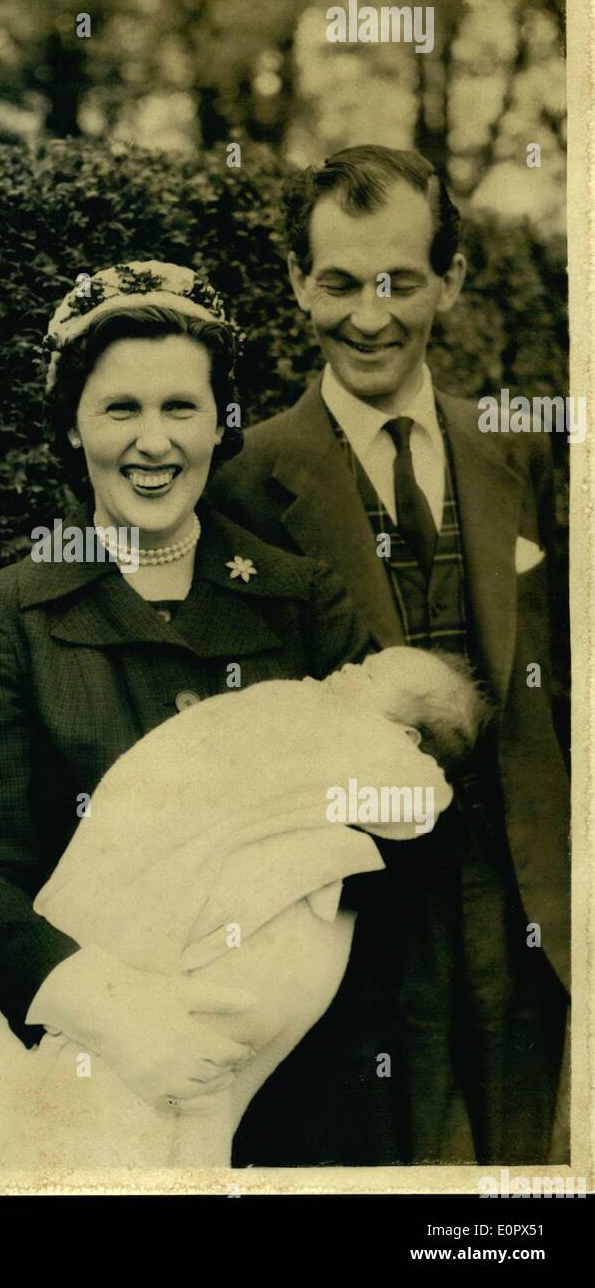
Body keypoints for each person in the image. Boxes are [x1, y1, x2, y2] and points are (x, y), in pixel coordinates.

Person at [0, 260, 373, 1165]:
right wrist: (117, 1015)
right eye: (119, 409)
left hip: (288, 1091)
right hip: (81, 1082)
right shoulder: (9, 614)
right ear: (70, 426)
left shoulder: (301, 602)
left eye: (181, 407)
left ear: (221, 421)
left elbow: (387, 828)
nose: (153, 442)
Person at [209, 145, 569, 1166]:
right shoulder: (247, 482)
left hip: (523, 911)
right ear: (295, 282)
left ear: (449, 281)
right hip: (355, 924)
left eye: (398, 282)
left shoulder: (520, 451)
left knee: (521, 1192)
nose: (367, 317)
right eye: (336, 283)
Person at [0, 648, 488, 1170]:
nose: (348, 667)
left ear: (406, 740)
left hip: (226, 974)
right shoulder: (304, 712)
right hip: (123, 950)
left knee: (154, 1102)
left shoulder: (373, 753)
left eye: (370, 673)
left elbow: (402, 803)